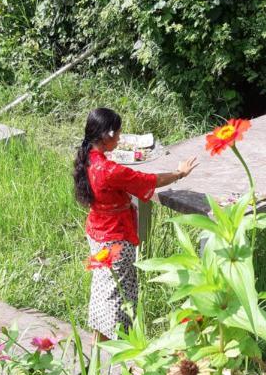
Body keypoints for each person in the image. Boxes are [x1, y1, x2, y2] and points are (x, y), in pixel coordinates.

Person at [73, 107, 197, 342]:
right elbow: (149, 180)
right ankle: (119, 348)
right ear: (107, 135)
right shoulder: (109, 170)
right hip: (115, 236)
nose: (119, 140)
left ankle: (98, 342)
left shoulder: (87, 156)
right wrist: (180, 173)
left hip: (96, 232)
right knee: (120, 295)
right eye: (118, 135)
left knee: (103, 288)